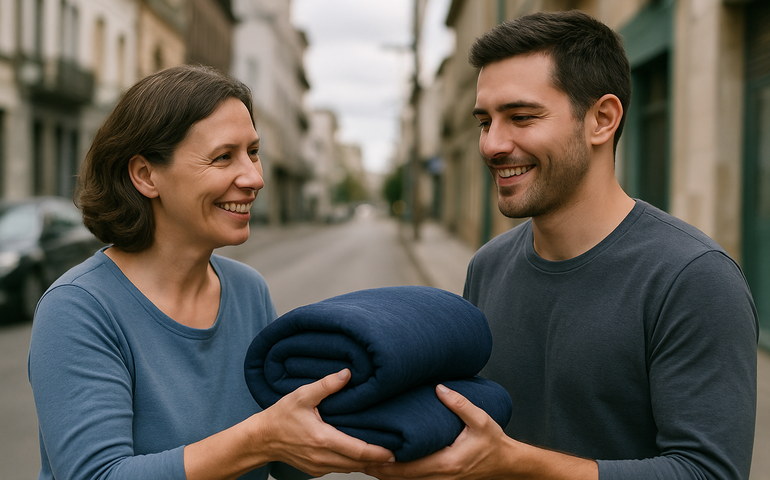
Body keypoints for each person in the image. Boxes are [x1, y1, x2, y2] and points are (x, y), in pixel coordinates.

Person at [368, 10, 758, 480]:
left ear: (602, 119)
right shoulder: (488, 266)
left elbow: (707, 472)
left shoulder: (693, 277)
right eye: (484, 122)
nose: (492, 144)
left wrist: (513, 462)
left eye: (521, 117)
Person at [27, 65, 393, 480]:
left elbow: (288, 457)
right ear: (146, 175)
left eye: (253, 152)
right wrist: (259, 439)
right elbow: (97, 475)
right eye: (223, 157)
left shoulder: (246, 289)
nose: (254, 177)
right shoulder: (79, 308)